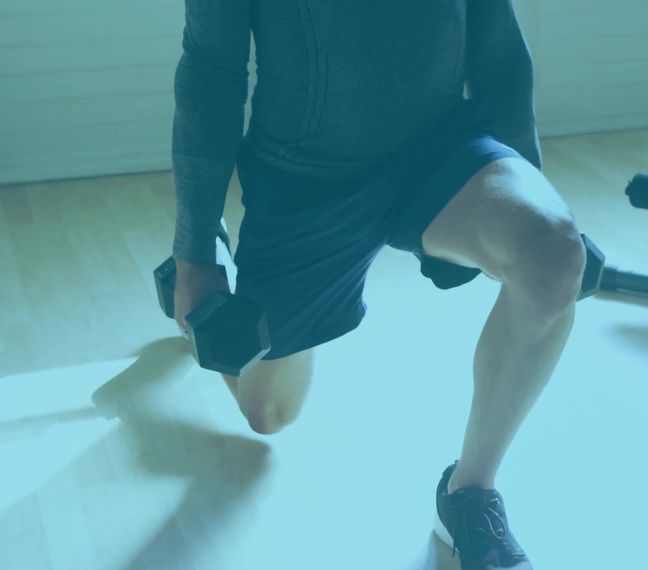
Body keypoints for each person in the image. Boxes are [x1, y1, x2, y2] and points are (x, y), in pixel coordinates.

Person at [169, 2, 585, 569]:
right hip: (306, 181)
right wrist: (194, 255)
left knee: (553, 260)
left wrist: (532, 202)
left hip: (441, 149)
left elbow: (500, 50)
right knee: (268, 413)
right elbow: (211, 68)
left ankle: (469, 496)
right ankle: (213, 263)